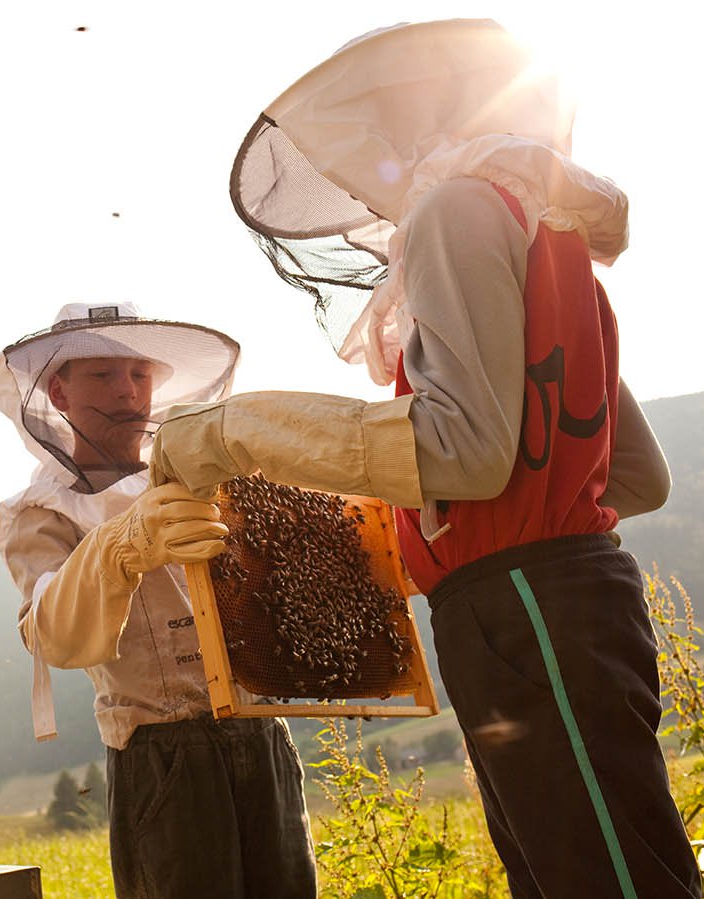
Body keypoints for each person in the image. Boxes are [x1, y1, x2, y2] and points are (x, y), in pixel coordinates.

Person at [148, 19, 701, 898]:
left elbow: (471, 454)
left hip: (523, 604)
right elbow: (635, 475)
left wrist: (232, 431)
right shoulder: (548, 234)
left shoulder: (456, 207)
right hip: (566, 597)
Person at [0, 302, 317, 898]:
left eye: (138, 374)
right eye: (103, 375)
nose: (127, 391)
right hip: (165, 751)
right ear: (58, 392)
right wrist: (119, 548)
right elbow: (56, 633)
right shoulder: (39, 514)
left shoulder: (207, 478)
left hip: (262, 729)